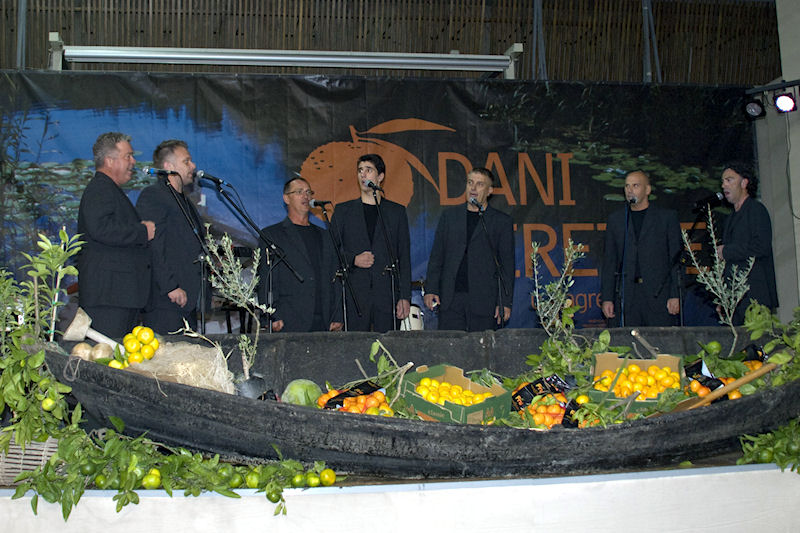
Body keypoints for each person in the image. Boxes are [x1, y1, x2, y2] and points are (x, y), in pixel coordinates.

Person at [77, 132, 155, 338]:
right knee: (106, 353)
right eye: (128, 156)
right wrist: (142, 231)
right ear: (109, 161)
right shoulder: (100, 189)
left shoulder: (109, 189)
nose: (133, 161)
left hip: (118, 295)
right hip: (109, 297)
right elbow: (101, 228)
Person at [424, 168, 515, 331]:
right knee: (450, 346)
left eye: (480, 184)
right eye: (470, 183)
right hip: (451, 299)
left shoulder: (501, 222)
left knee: (481, 346)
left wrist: (504, 302)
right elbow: (437, 256)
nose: (473, 188)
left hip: (484, 302)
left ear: (490, 191)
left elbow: (506, 266)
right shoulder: (449, 217)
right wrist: (431, 289)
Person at [330, 154, 411, 331]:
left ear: (380, 177)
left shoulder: (396, 212)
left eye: (369, 170)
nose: (363, 174)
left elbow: (404, 257)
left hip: (387, 295)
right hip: (355, 296)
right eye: (360, 170)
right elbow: (330, 252)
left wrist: (405, 296)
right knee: (356, 345)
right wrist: (353, 260)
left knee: (388, 345)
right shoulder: (343, 211)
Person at [135, 140, 208, 334]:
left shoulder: (184, 200)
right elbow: (152, 245)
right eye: (186, 161)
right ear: (168, 167)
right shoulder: (154, 196)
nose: (193, 166)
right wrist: (170, 286)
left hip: (187, 298)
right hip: (166, 299)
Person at [257, 177, 342, 332]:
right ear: (286, 198)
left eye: (308, 192)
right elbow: (266, 278)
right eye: (299, 192)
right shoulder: (272, 235)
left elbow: (334, 276)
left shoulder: (324, 235)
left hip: (324, 319)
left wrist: (337, 315)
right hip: (289, 318)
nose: (306, 196)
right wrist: (270, 315)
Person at [600, 170, 682, 327]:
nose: (630, 190)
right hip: (627, 296)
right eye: (627, 186)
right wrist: (607, 298)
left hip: (658, 296)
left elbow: (676, 260)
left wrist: (675, 295)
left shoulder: (666, 218)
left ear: (647, 190)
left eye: (635, 186)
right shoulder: (616, 220)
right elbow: (610, 262)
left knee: (660, 340)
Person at [716, 162, 778, 324]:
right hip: (734, 298)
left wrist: (727, 251)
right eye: (723, 181)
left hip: (754, 295)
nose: (724, 185)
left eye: (729, 180)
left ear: (744, 183)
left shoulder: (756, 210)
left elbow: (761, 247)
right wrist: (723, 296)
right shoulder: (730, 218)